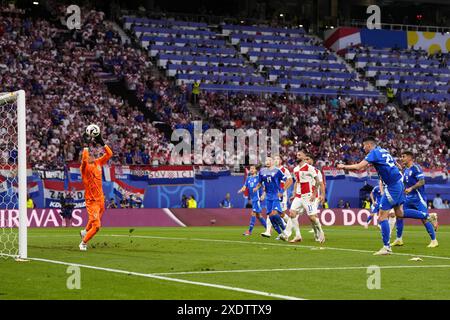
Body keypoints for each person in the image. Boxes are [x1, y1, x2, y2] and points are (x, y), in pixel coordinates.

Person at [337, 136, 438, 255]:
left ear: (369, 145)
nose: (363, 148)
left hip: (392, 186)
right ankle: (427, 216)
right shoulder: (383, 150)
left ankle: (386, 247)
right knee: (399, 213)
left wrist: (343, 166)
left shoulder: (374, 153)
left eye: (364, 146)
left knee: (381, 217)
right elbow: (395, 163)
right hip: (399, 183)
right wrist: (397, 167)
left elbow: (359, 167)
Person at [391, 151, 438, 248]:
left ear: (409, 158)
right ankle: (399, 239)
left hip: (418, 198)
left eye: (403, 156)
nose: (402, 158)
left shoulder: (416, 168)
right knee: (399, 215)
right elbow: (405, 183)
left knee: (424, 219)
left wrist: (411, 188)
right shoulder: (406, 170)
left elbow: (422, 181)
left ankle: (434, 240)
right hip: (408, 198)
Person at [79, 131, 113, 251]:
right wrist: (86, 146)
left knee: (94, 219)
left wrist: (102, 142)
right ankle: (83, 243)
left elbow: (109, 154)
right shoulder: (84, 168)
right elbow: (83, 159)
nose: (91, 155)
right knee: (97, 226)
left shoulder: (98, 162)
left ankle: (84, 231)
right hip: (91, 201)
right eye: (89, 154)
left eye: (92, 153)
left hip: (101, 200)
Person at [283, 151, 325, 243]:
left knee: (312, 218)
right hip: (298, 196)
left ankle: (321, 232)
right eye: (296, 155)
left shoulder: (310, 168)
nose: (297, 156)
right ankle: (298, 235)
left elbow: (317, 181)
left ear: (304, 156)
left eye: (299, 155)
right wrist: (294, 193)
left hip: (308, 196)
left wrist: (314, 194)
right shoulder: (295, 169)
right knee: (292, 213)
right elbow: (297, 182)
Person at [254, 156, 287, 238]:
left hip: (276, 195)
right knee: (271, 217)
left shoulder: (277, 171)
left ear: (272, 162)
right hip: (268, 197)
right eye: (266, 160)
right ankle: (280, 233)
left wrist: (282, 191)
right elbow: (260, 183)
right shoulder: (262, 171)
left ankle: (285, 230)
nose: (267, 161)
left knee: (275, 214)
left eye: (269, 160)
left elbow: (287, 180)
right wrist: (256, 188)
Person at [238, 165, 266, 236]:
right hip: (253, 199)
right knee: (259, 215)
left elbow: (264, 187)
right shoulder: (248, 178)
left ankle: (249, 231)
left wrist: (263, 195)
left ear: (256, 170)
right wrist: (241, 190)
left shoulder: (258, 178)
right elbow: (245, 187)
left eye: (253, 168)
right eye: (251, 168)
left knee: (253, 213)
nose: (252, 170)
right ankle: (268, 229)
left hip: (257, 198)